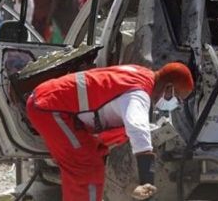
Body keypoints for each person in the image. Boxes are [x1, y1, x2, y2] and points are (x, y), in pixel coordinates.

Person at [26, 62, 194, 201]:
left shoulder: (142, 74)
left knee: (100, 151)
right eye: (177, 97)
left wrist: (131, 186)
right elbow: (139, 133)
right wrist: (147, 182)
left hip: (53, 103)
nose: (175, 103)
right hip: (50, 108)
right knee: (86, 169)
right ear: (168, 87)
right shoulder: (138, 96)